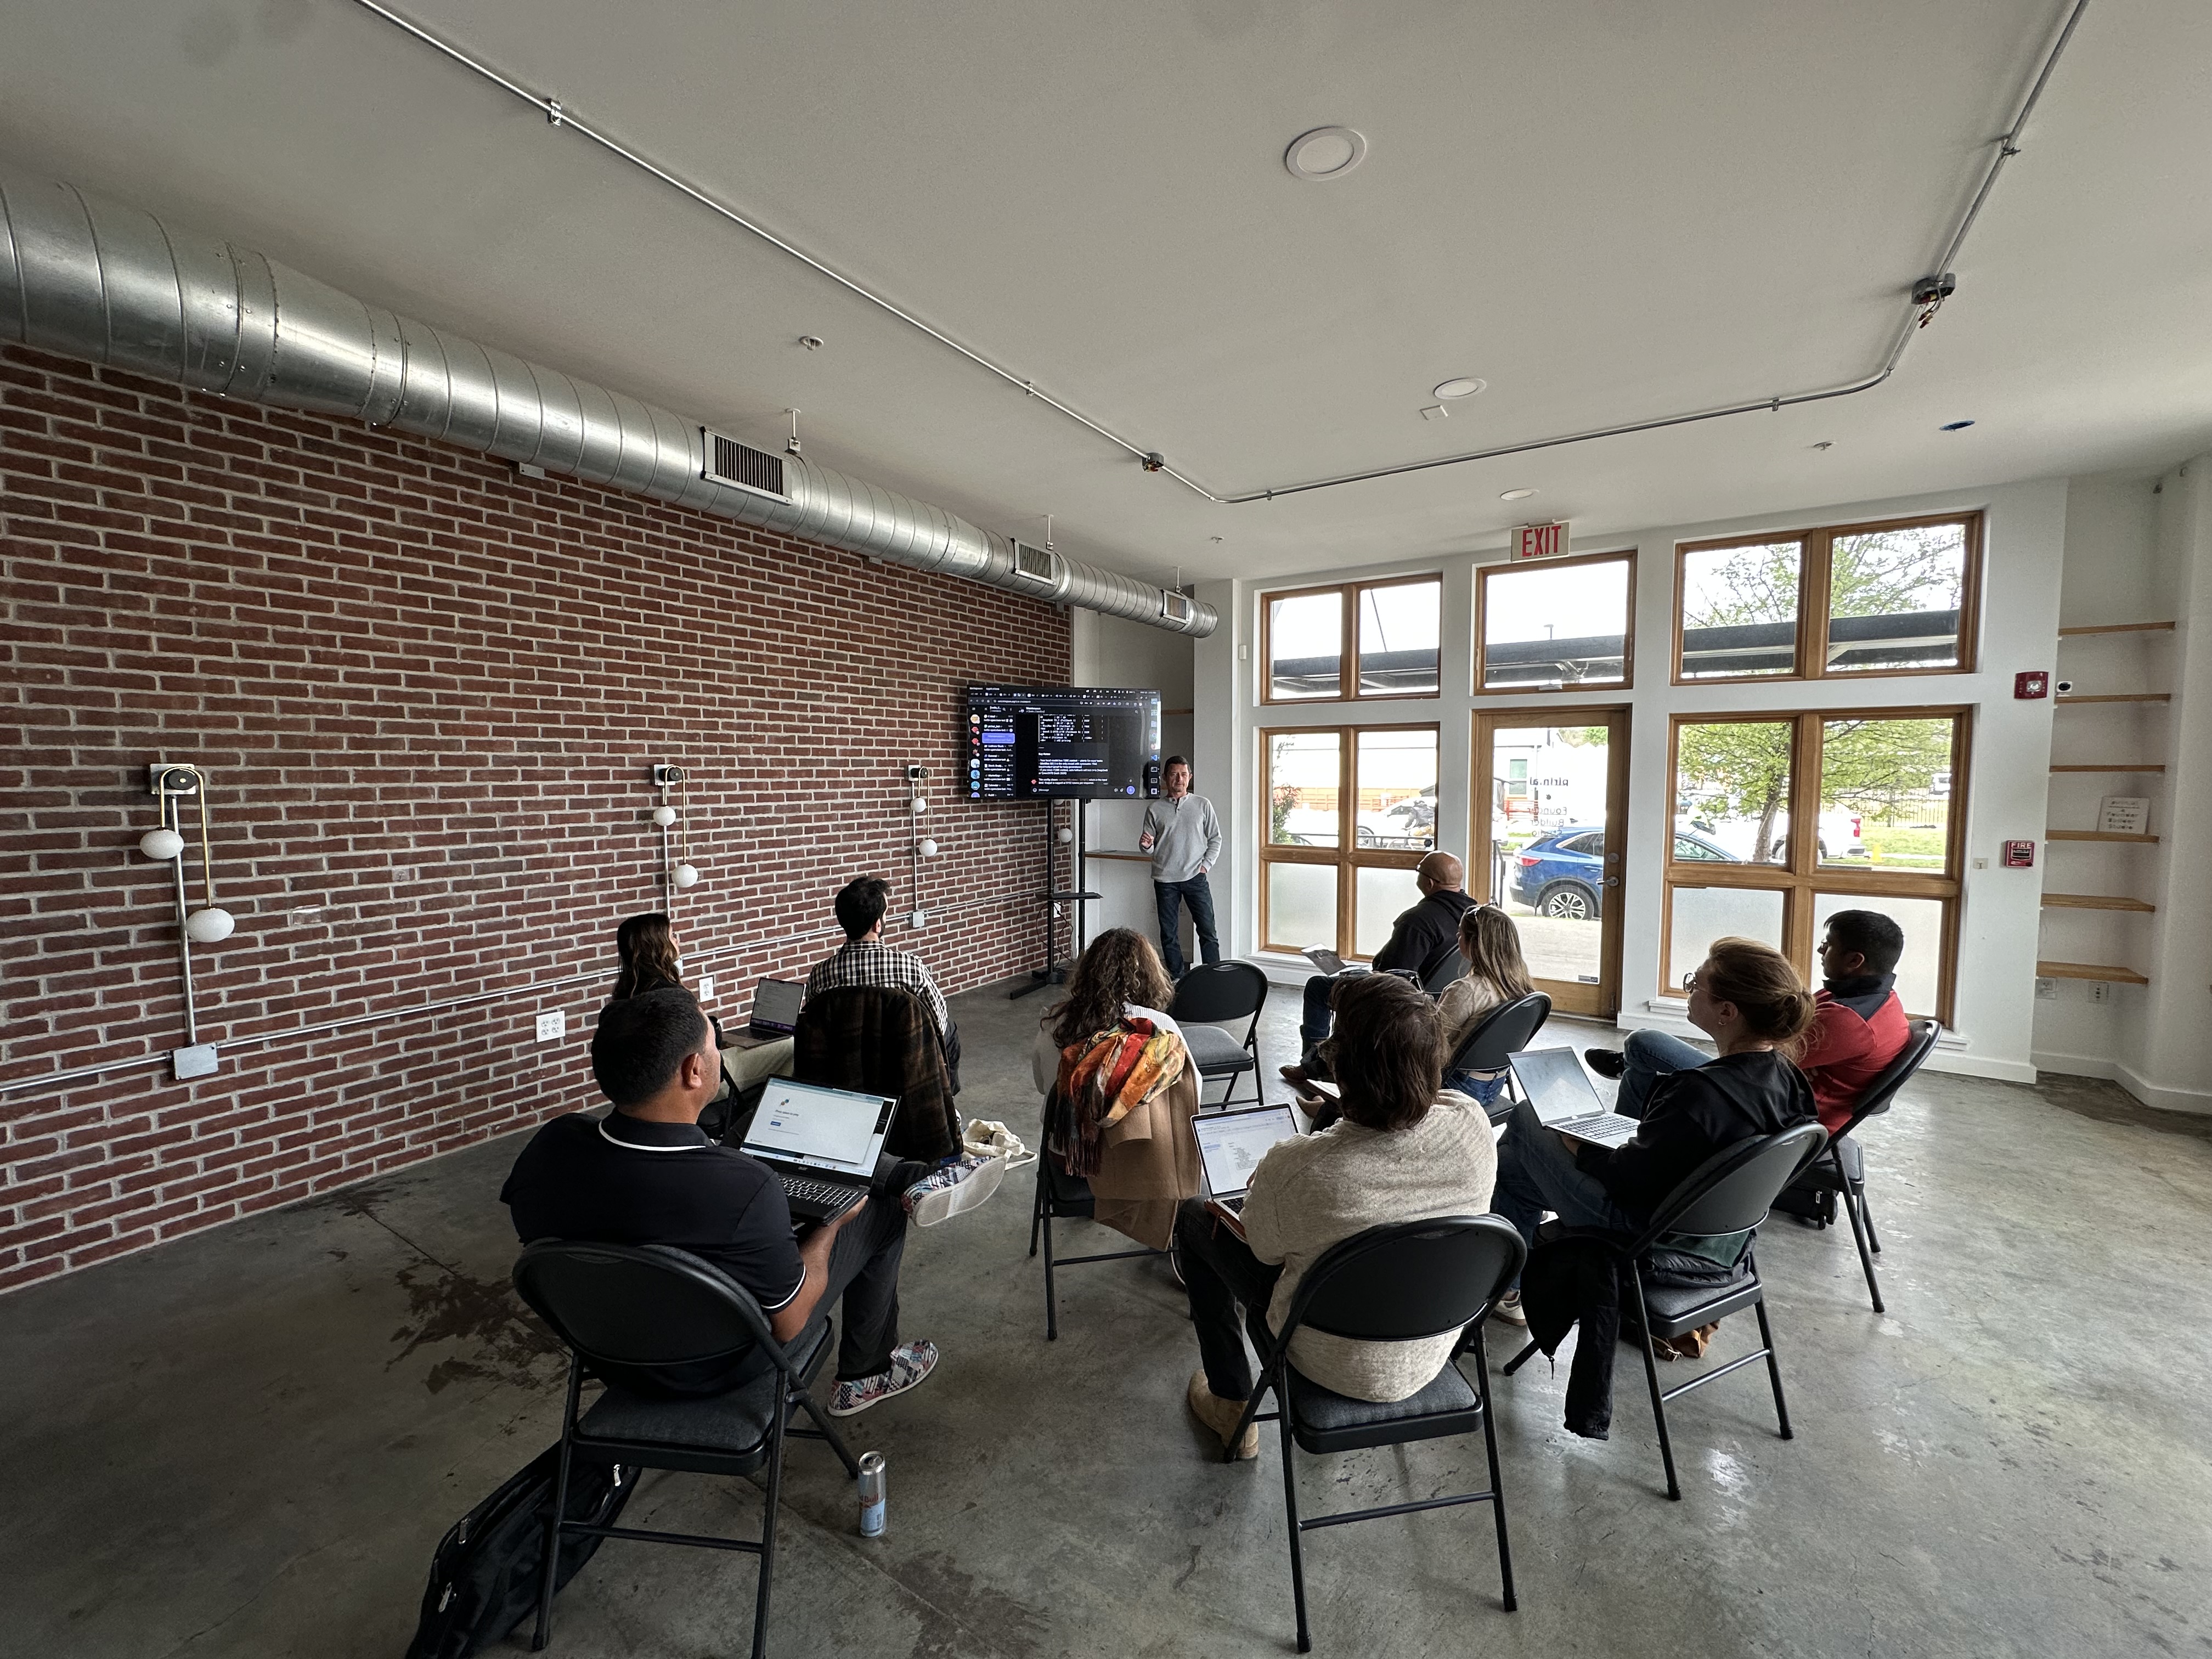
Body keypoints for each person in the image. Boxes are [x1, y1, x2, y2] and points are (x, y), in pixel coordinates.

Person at [500, 988, 939, 1416]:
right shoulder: (743, 1187)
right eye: (716, 1047)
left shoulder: (550, 1148)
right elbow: (788, 1322)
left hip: (607, 1353)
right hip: (720, 1363)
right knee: (880, 1210)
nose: (719, 1055)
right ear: (694, 1070)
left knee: (756, 1145)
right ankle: (866, 1373)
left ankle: (902, 1175)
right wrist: (830, 1225)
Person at [1177, 973, 1497, 1459]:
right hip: (1431, 1346)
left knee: (1194, 1218)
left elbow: (1262, 1250)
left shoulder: (1300, 1168)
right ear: (1434, 1059)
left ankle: (1230, 1404)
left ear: (1339, 1069)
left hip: (1327, 1355)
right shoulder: (1472, 1124)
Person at [1487, 936, 1817, 1327]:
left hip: (1644, 1233)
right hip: (1722, 1238)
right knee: (1513, 1170)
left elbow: (1625, 1179)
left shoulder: (1700, 1092)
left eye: (1696, 984)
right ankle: (1506, 1287)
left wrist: (1579, 1145)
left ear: (1727, 1011)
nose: (1688, 990)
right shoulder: (1788, 1078)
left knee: (1526, 1116)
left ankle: (1502, 1285)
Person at [1584, 911, 1909, 1134]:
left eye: (1829, 945)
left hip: (1780, 1110)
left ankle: (1620, 1132)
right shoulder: (1878, 1001)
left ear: (1855, 961)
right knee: (1643, 1062)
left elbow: (1762, 1051)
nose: (1821, 949)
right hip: (1782, 1093)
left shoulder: (1848, 1020)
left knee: (1645, 1044)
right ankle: (1626, 1111)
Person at [1031, 928, 1201, 1249]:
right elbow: (1194, 1094)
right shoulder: (1163, 1030)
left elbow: (1044, 1088)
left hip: (1073, 1160)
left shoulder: (1056, 1024)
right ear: (1151, 975)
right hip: (1144, 1163)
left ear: (1088, 972)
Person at [1281, 850, 1474, 1091]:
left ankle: (1314, 1066)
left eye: (1419, 871)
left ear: (1429, 882)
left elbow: (1394, 975)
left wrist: (1357, 977)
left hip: (1399, 999)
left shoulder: (1419, 920)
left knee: (1318, 987)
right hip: (1434, 995)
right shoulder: (1472, 913)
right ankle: (1324, 1063)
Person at [804, 876, 961, 1088]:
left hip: (845, 1071)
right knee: (950, 1030)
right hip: (905, 1071)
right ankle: (947, 1107)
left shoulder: (820, 975)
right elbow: (938, 1027)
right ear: (878, 924)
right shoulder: (910, 967)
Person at [1435, 904, 1536, 1107]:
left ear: (1475, 942)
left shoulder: (1467, 990)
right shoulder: (1524, 989)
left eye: (1460, 934)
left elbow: (1433, 1045)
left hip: (1457, 1086)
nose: (1457, 937)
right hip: (1495, 1084)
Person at [1139, 756, 1223, 979]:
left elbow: (1216, 839)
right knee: (1169, 934)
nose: (1179, 779)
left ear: (1190, 778)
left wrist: (1205, 866)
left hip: (1196, 878)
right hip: (1165, 880)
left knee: (1208, 932)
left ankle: (1213, 979)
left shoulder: (1203, 805)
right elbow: (1148, 847)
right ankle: (1176, 980)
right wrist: (1145, 846)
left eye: (1184, 775)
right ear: (1165, 778)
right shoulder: (1154, 808)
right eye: (1174, 774)